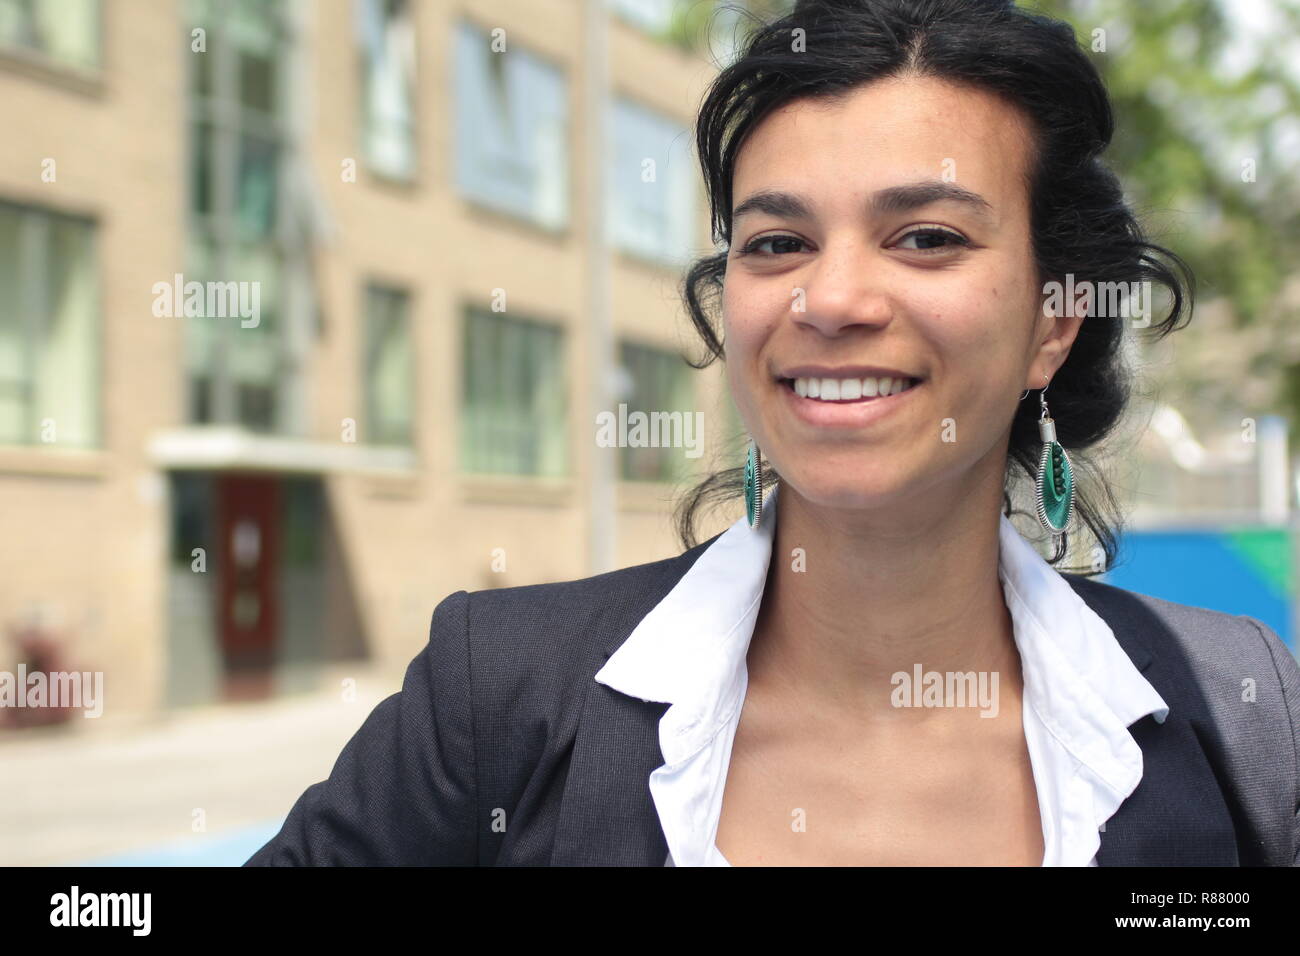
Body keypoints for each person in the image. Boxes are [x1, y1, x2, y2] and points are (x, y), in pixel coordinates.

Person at [245, 0, 1300, 866]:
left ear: (1050, 321)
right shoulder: (499, 692)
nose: (828, 296)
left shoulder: (1240, 709)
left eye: (925, 237)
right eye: (778, 240)